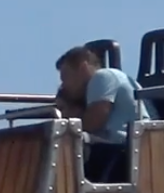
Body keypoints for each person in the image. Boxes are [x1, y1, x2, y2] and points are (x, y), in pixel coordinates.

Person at [54, 46, 142, 184]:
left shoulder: (102, 76)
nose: (64, 85)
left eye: (65, 77)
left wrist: (69, 120)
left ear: (83, 68)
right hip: (118, 149)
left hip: (123, 149)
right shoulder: (95, 88)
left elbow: (95, 120)